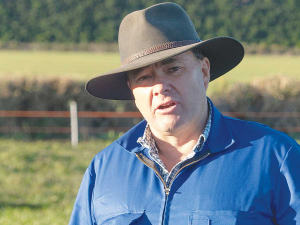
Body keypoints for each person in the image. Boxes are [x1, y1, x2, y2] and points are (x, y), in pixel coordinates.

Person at [69, 3, 300, 225]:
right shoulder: (104, 169)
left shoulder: (276, 158)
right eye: (144, 77)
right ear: (133, 92)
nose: (160, 87)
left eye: (173, 69)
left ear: (204, 71)